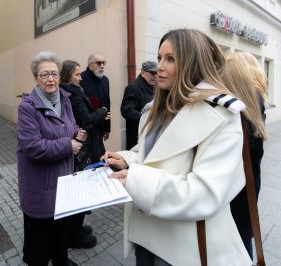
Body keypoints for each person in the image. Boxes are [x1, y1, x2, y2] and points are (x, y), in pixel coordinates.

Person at [103, 29, 252, 265]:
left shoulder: (222, 116)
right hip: (146, 236)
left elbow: (206, 194)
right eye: (160, 57)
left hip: (184, 247)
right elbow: (150, 154)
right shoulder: (154, 109)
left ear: (192, 63)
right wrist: (126, 160)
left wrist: (134, 180)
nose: (159, 66)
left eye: (170, 59)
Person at [17, 51, 86, 266]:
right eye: (44, 74)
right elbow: (33, 146)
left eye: (54, 74)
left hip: (64, 180)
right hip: (41, 185)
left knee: (60, 232)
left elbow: (69, 127)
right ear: (36, 78)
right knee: (39, 241)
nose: (50, 79)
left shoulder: (65, 100)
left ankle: (61, 260)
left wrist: (77, 133)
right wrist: (68, 145)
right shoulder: (28, 107)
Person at [60, 60, 111, 249]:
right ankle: (74, 236)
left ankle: (77, 229)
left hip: (88, 145)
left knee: (84, 193)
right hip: (84, 150)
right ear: (67, 76)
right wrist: (101, 112)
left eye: (80, 74)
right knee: (81, 193)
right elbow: (86, 120)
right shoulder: (71, 94)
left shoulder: (74, 90)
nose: (80, 78)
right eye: (76, 74)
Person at [222, 51, 267, 259]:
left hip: (235, 189)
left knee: (238, 239)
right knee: (243, 236)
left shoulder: (231, 108)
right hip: (248, 185)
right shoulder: (254, 100)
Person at [79, 53, 110, 162]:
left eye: (103, 63)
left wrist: (107, 128)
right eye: (98, 63)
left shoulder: (105, 80)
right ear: (90, 65)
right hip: (86, 130)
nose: (102, 65)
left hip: (100, 129)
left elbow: (107, 105)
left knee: (100, 160)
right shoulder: (81, 79)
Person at [121, 61, 157, 149]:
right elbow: (126, 110)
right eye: (152, 73)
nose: (155, 76)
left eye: (157, 73)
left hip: (150, 133)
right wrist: (145, 119)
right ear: (143, 72)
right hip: (137, 136)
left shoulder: (155, 86)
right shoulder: (133, 87)